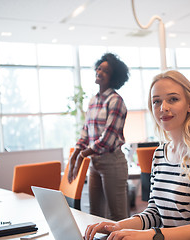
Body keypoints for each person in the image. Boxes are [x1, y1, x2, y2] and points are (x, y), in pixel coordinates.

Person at [84, 70, 190, 240]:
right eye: (156, 101)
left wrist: (153, 235)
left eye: (173, 99)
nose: (163, 108)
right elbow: (155, 211)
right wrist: (118, 226)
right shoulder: (160, 154)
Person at [68, 52, 130, 221]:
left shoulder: (116, 100)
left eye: (105, 71)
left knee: (117, 217)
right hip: (95, 163)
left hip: (112, 162)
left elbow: (108, 139)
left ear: (114, 77)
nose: (99, 72)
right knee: (95, 216)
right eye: (99, 68)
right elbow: (85, 132)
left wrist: (82, 155)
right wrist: (76, 153)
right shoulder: (93, 101)